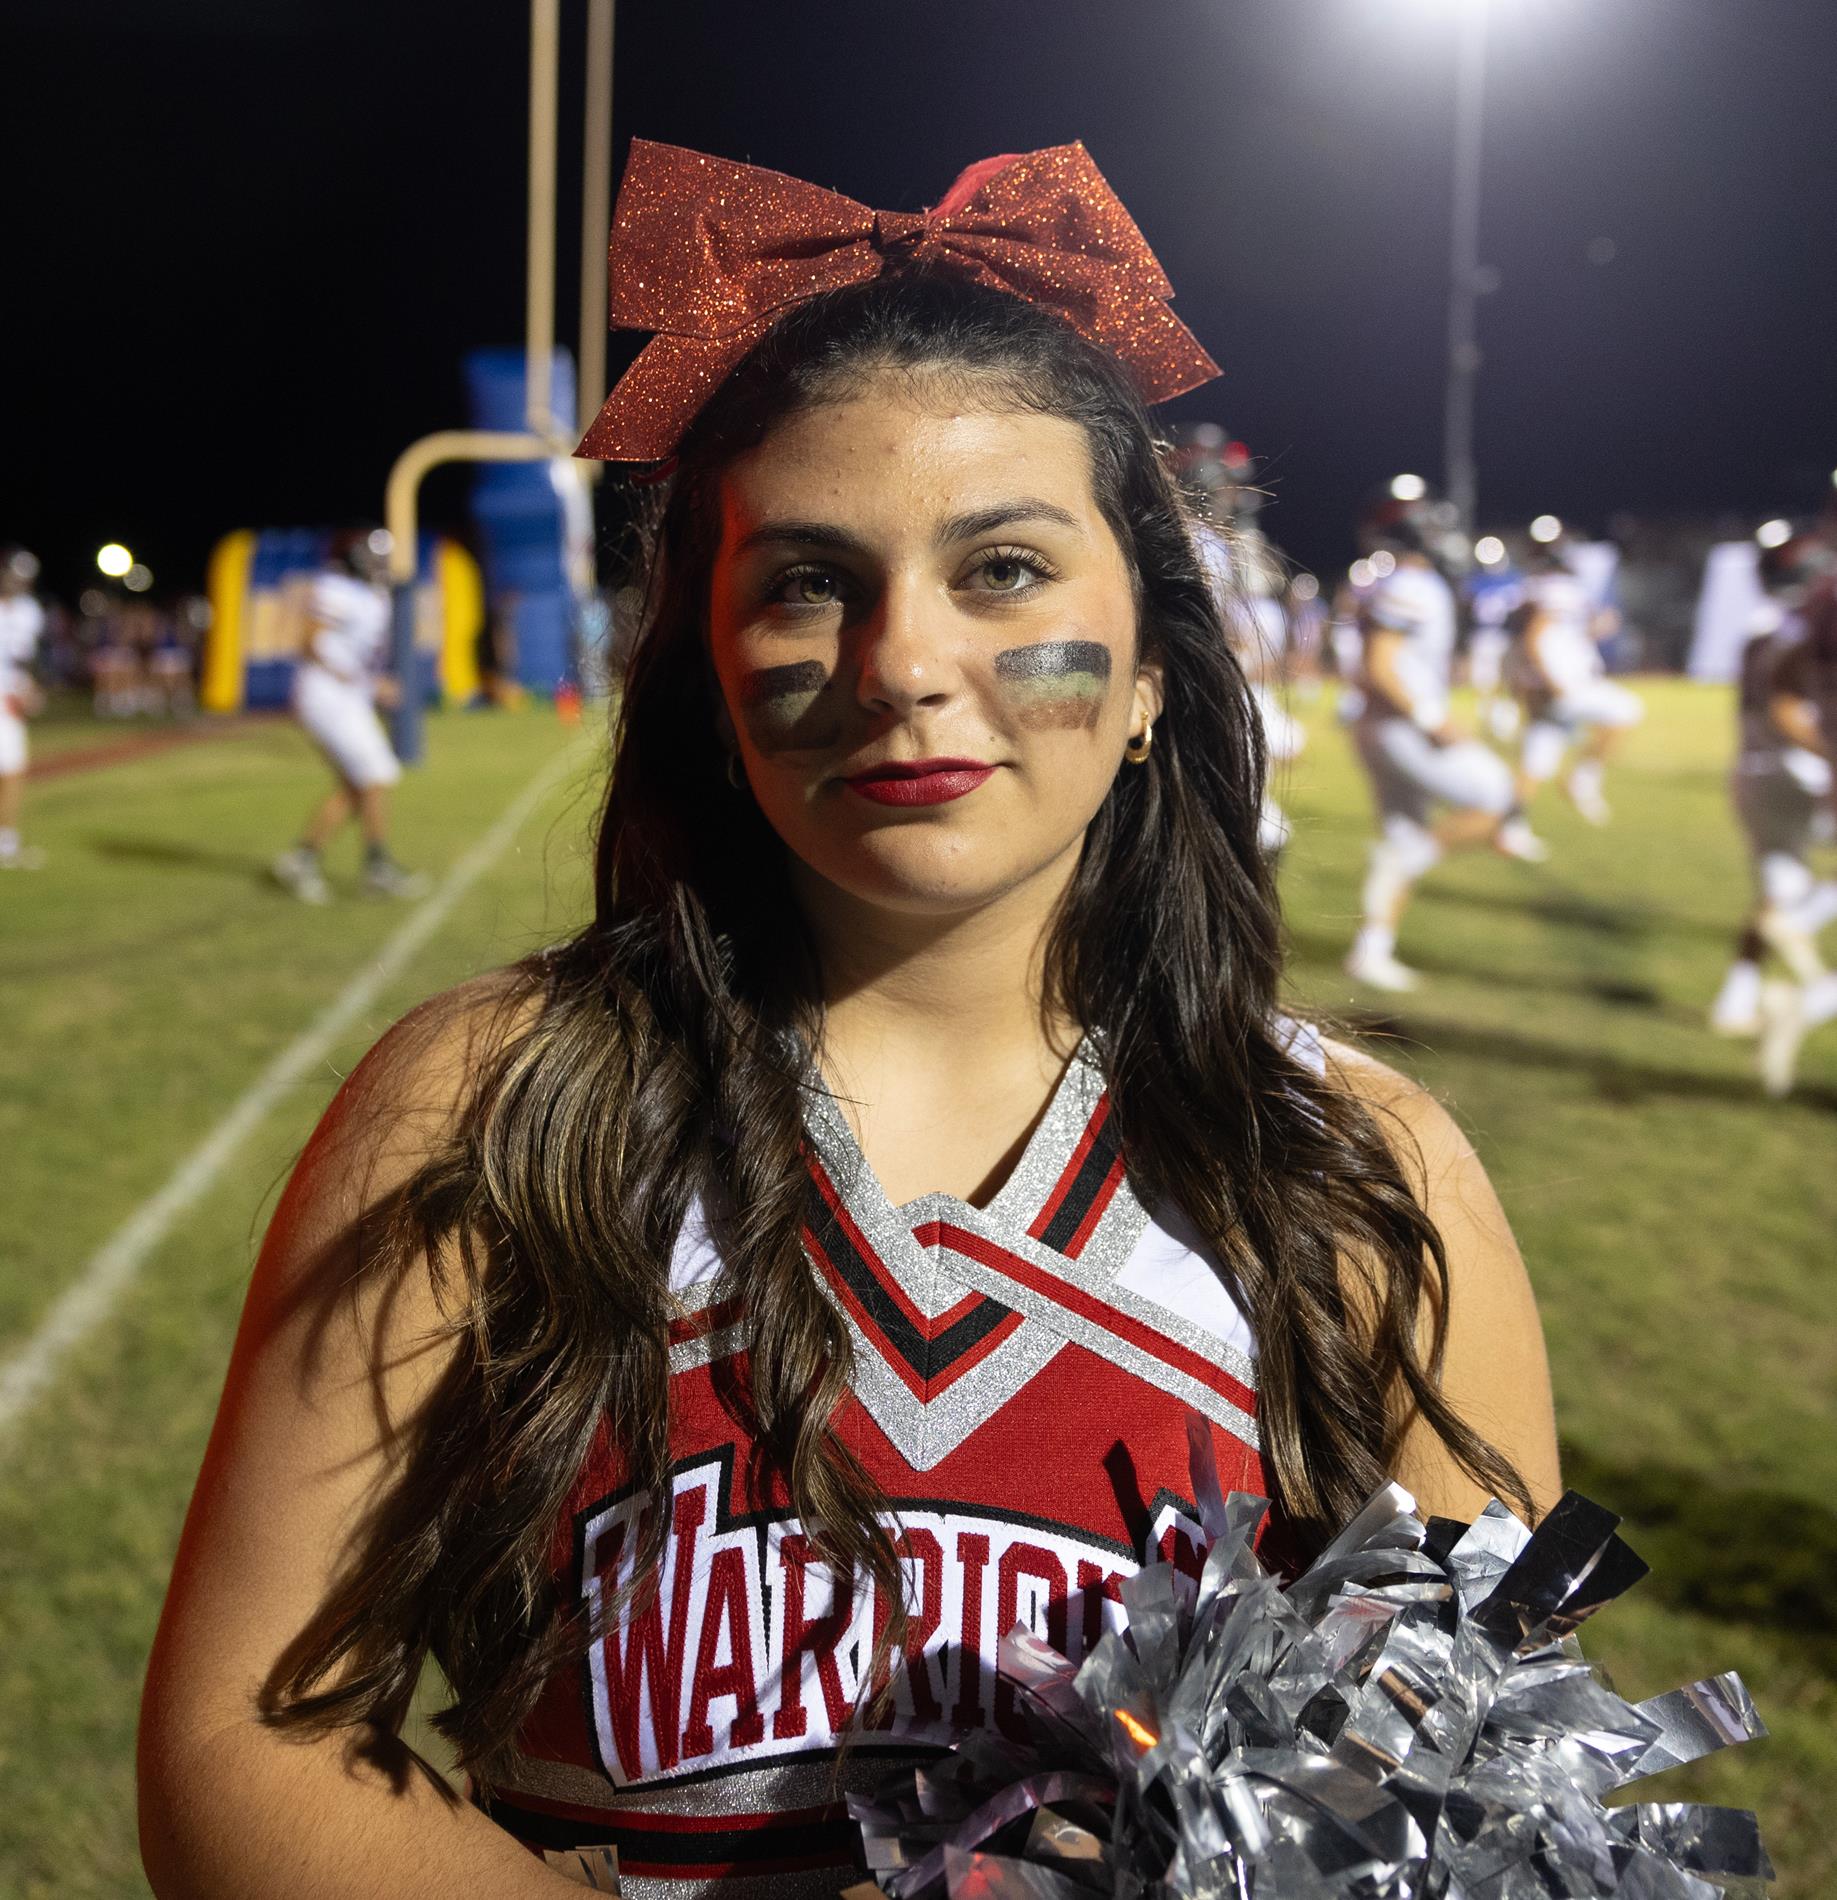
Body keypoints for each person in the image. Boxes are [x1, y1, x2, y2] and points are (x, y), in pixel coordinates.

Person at [141, 143, 1559, 1897]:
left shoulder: (1361, 1172)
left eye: (1004, 572)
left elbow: (1482, 1789)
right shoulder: (501, 1103)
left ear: (1150, 677)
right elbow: (248, 1737)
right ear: (708, 676)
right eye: (808, 580)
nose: (900, 664)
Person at [1343, 492, 1541, 994]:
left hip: (1383, 725)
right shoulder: (1412, 584)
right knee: (1500, 798)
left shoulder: (1397, 581)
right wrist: (1431, 717)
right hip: (1401, 726)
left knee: (1402, 831)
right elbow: (1380, 662)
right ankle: (1407, 859)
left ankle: (1371, 950)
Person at [1708, 530, 1837, 1039]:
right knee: (1788, 907)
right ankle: (1813, 997)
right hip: (1798, 771)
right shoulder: (1797, 631)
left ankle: (1735, 998)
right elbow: (1787, 707)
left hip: (1752, 774)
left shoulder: (1760, 626)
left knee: (1774, 899)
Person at [271, 530, 429, 903]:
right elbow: (311, 641)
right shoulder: (336, 588)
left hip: (346, 696)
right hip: (327, 695)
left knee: (358, 786)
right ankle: (374, 868)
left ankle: (304, 859)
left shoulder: (371, 595)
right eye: (376, 558)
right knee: (376, 775)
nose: (383, 566)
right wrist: (371, 684)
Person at [1508, 537, 1643, 828]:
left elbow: (1560, 637)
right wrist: (1551, 680)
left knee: (1536, 763)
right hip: (1564, 686)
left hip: (1546, 687)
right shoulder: (1559, 589)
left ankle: (1510, 827)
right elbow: (1535, 638)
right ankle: (1582, 779)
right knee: (1628, 709)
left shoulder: (1536, 588)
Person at [0, 546, 48, 870]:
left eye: (23, 578)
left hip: (8, 696)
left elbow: (23, 658)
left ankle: (6, 843)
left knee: (13, 771)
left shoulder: (29, 611)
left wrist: (29, 687)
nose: (17, 582)